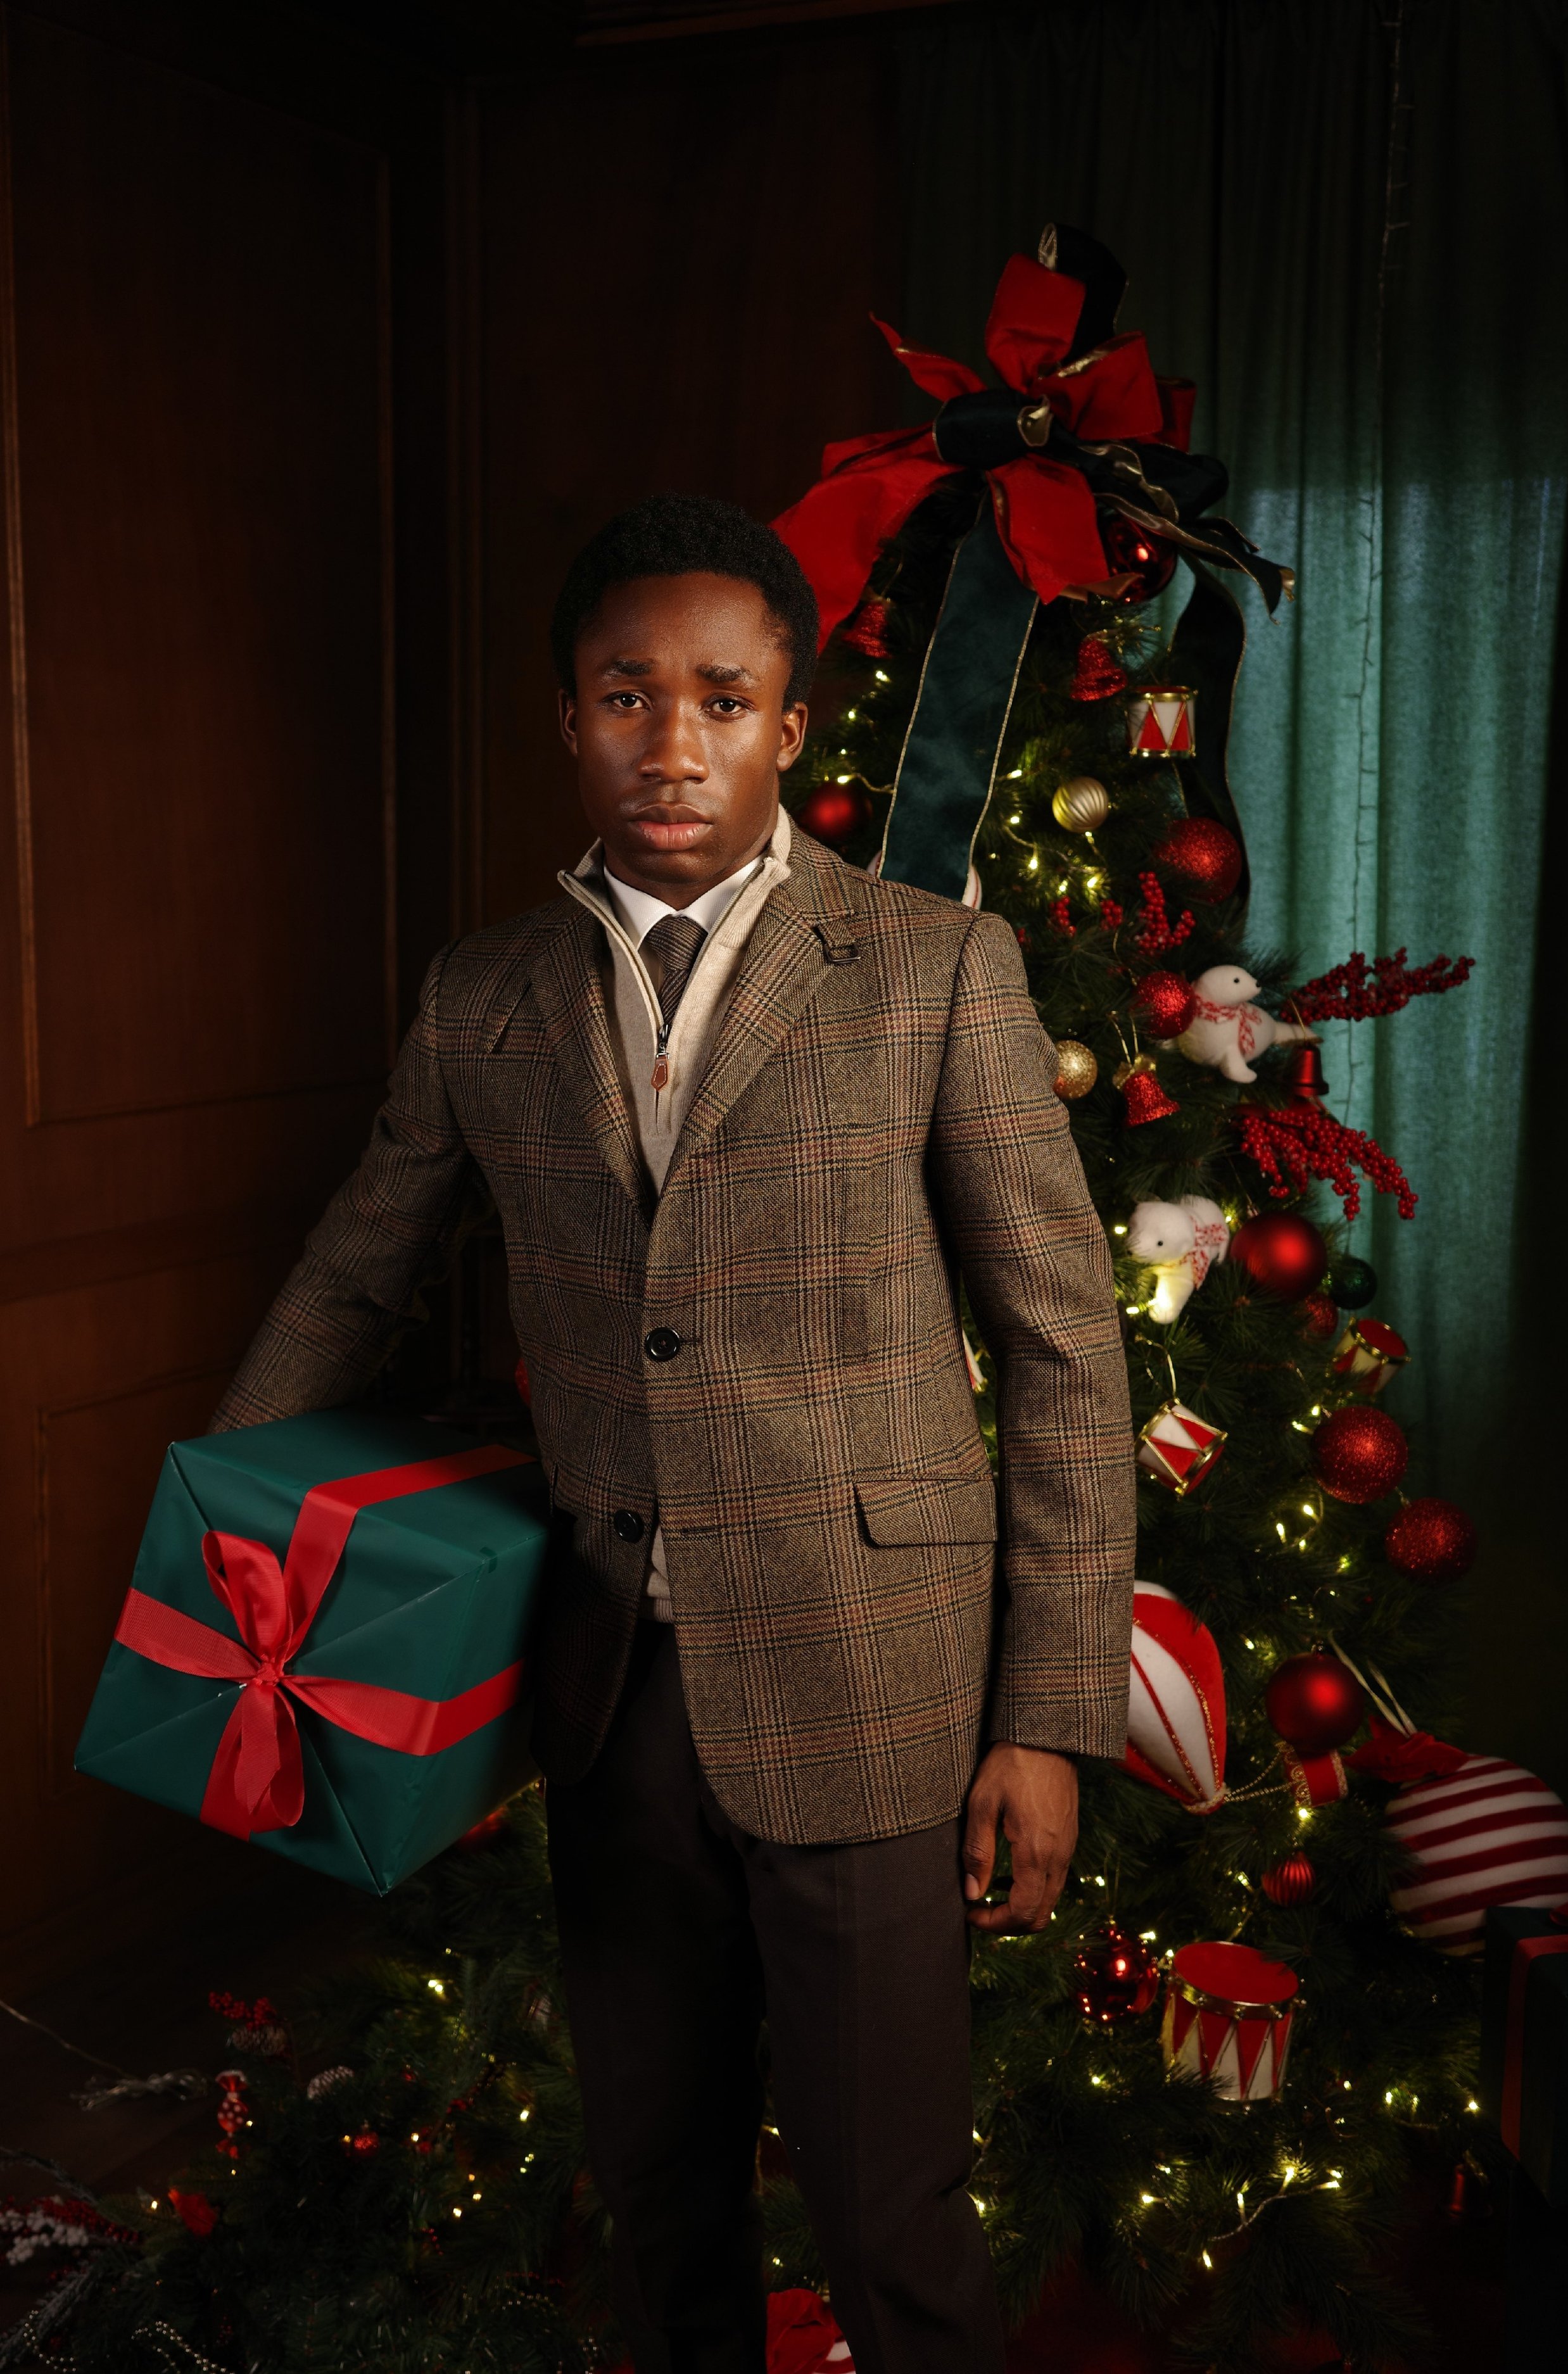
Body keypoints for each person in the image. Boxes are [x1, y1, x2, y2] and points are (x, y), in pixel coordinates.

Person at [212, 494, 1135, 2373]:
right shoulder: (484, 1000)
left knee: (891, 2221)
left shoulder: (931, 972)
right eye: (627, 696)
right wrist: (213, 1546)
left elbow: (1061, 1358)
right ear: (569, 720)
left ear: (790, 727)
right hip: (611, 1686)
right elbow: (350, 1277)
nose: (673, 740)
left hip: (875, 1683)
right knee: (654, 2189)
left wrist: (1044, 1713)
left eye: (720, 697)